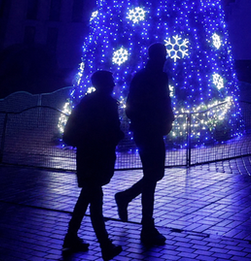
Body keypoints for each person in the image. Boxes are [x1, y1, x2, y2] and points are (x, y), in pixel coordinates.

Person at [115, 43, 174, 246]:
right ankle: (146, 225)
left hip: (148, 130)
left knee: (154, 175)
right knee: (153, 176)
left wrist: (165, 119)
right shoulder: (153, 77)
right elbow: (159, 103)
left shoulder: (147, 76)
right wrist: (162, 120)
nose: (165, 58)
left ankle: (127, 200)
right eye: (163, 55)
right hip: (149, 131)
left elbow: (136, 106)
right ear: (157, 56)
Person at [62, 70, 124, 259]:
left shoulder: (87, 102)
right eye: (111, 81)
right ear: (104, 83)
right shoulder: (106, 104)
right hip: (98, 157)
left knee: (87, 197)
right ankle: (105, 245)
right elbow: (111, 131)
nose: (114, 84)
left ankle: (71, 236)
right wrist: (118, 136)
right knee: (95, 201)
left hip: (87, 155)